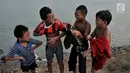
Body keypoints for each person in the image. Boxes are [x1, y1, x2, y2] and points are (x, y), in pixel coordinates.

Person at [33, 7, 66, 73]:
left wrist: (56, 38)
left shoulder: (57, 22)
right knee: (49, 62)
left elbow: (64, 31)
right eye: (51, 18)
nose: (53, 18)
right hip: (49, 47)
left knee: (60, 62)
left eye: (53, 16)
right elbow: (34, 33)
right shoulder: (42, 25)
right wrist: (40, 32)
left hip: (58, 46)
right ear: (44, 19)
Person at [68, 5, 91, 73]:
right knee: (72, 60)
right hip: (76, 44)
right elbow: (73, 29)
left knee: (82, 63)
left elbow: (85, 38)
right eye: (75, 14)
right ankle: (74, 71)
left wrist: (79, 33)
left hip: (83, 46)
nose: (75, 16)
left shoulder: (87, 24)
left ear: (84, 15)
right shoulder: (76, 21)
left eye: (77, 15)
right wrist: (69, 26)